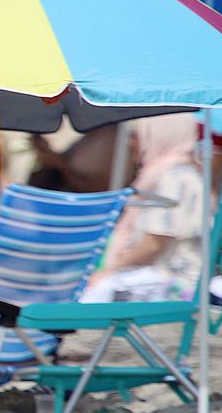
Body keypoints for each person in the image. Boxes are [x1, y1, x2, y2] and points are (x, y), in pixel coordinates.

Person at [83, 113, 205, 303]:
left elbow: (155, 244)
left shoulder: (175, 178)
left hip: (172, 281)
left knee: (86, 294)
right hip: (156, 275)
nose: (130, 142)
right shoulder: (166, 173)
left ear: (161, 135)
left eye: (137, 135)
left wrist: (107, 272)